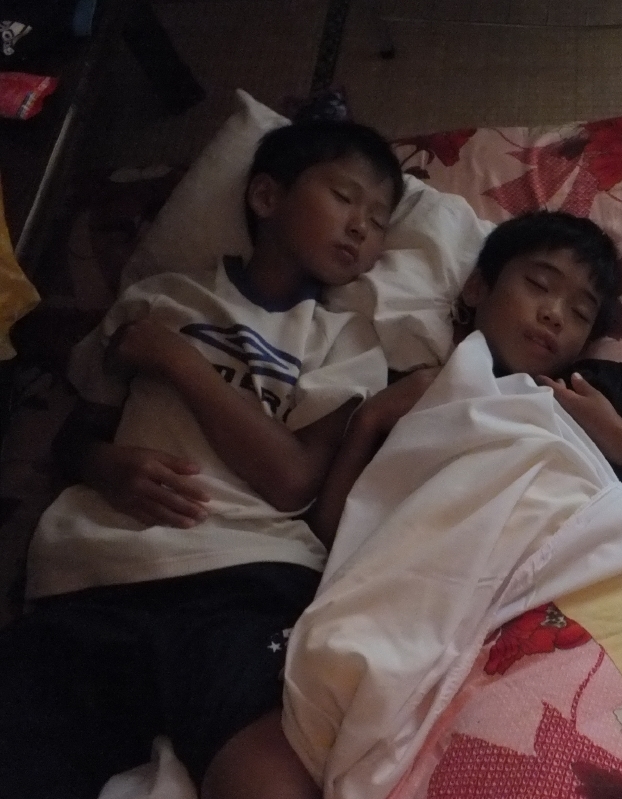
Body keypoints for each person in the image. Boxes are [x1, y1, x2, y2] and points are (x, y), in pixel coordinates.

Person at [0, 119, 403, 799]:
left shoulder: (346, 339)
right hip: (97, 573)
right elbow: (74, 435)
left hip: (244, 577)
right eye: (344, 196)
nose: (362, 226)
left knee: (269, 774)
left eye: (381, 219)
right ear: (266, 197)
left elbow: (293, 480)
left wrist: (180, 363)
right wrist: (104, 466)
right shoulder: (162, 298)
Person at [307, 209, 622, 544]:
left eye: (580, 312)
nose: (554, 314)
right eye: (538, 285)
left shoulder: (597, 390)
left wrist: (620, 439)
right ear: (478, 287)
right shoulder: (419, 389)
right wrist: (371, 420)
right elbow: (334, 533)